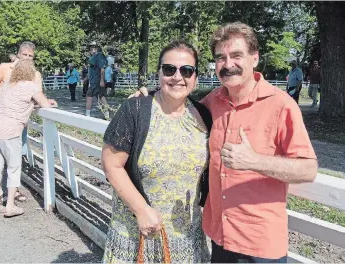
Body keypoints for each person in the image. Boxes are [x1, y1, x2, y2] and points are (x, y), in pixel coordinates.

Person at [136, 22, 318, 263]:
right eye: (220, 58)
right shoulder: (212, 102)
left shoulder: (281, 105)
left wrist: (254, 161)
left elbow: (308, 169)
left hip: (259, 243)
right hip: (219, 237)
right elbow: (176, 101)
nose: (228, 64)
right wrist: (146, 97)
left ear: (255, 58)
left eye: (236, 55)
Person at [101, 40, 211, 263]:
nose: (177, 77)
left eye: (186, 70)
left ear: (195, 77)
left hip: (187, 241)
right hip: (137, 236)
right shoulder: (135, 110)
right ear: (159, 73)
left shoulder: (204, 116)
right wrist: (141, 209)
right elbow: (111, 164)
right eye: (169, 69)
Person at [0, 41, 56, 204]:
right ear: (18, 54)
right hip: (3, 115)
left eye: (31, 56)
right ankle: (5, 195)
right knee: (5, 159)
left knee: (14, 156)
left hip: (18, 120)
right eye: (25, 55)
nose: (27, 58)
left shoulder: (35, 75)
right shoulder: (4, 68)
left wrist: (43, 102)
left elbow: (36, 96)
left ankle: (12, 191)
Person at [85, 41, 109, 120]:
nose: (93, 48)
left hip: (97, 80)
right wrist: (86, 78)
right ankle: (105, 113)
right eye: (91, 47)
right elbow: (90, 70)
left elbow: (102, 69)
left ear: (97, 48)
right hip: (92, 81)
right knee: (98, 96)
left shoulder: (99, 56)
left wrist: (102, 80)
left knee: (94, 96)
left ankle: (88, 114)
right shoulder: (91, 58)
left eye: (94, 47)